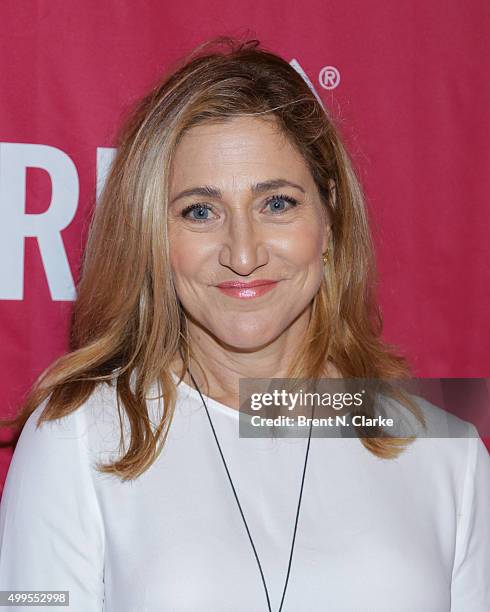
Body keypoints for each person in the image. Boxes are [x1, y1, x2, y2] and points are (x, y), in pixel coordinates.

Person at [0, 36, 488, 612]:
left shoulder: (446, 452)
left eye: (276, 203)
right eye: (200, 212)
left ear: (329, 216)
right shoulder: (77, 438)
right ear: (152, 235)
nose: (244, 251)